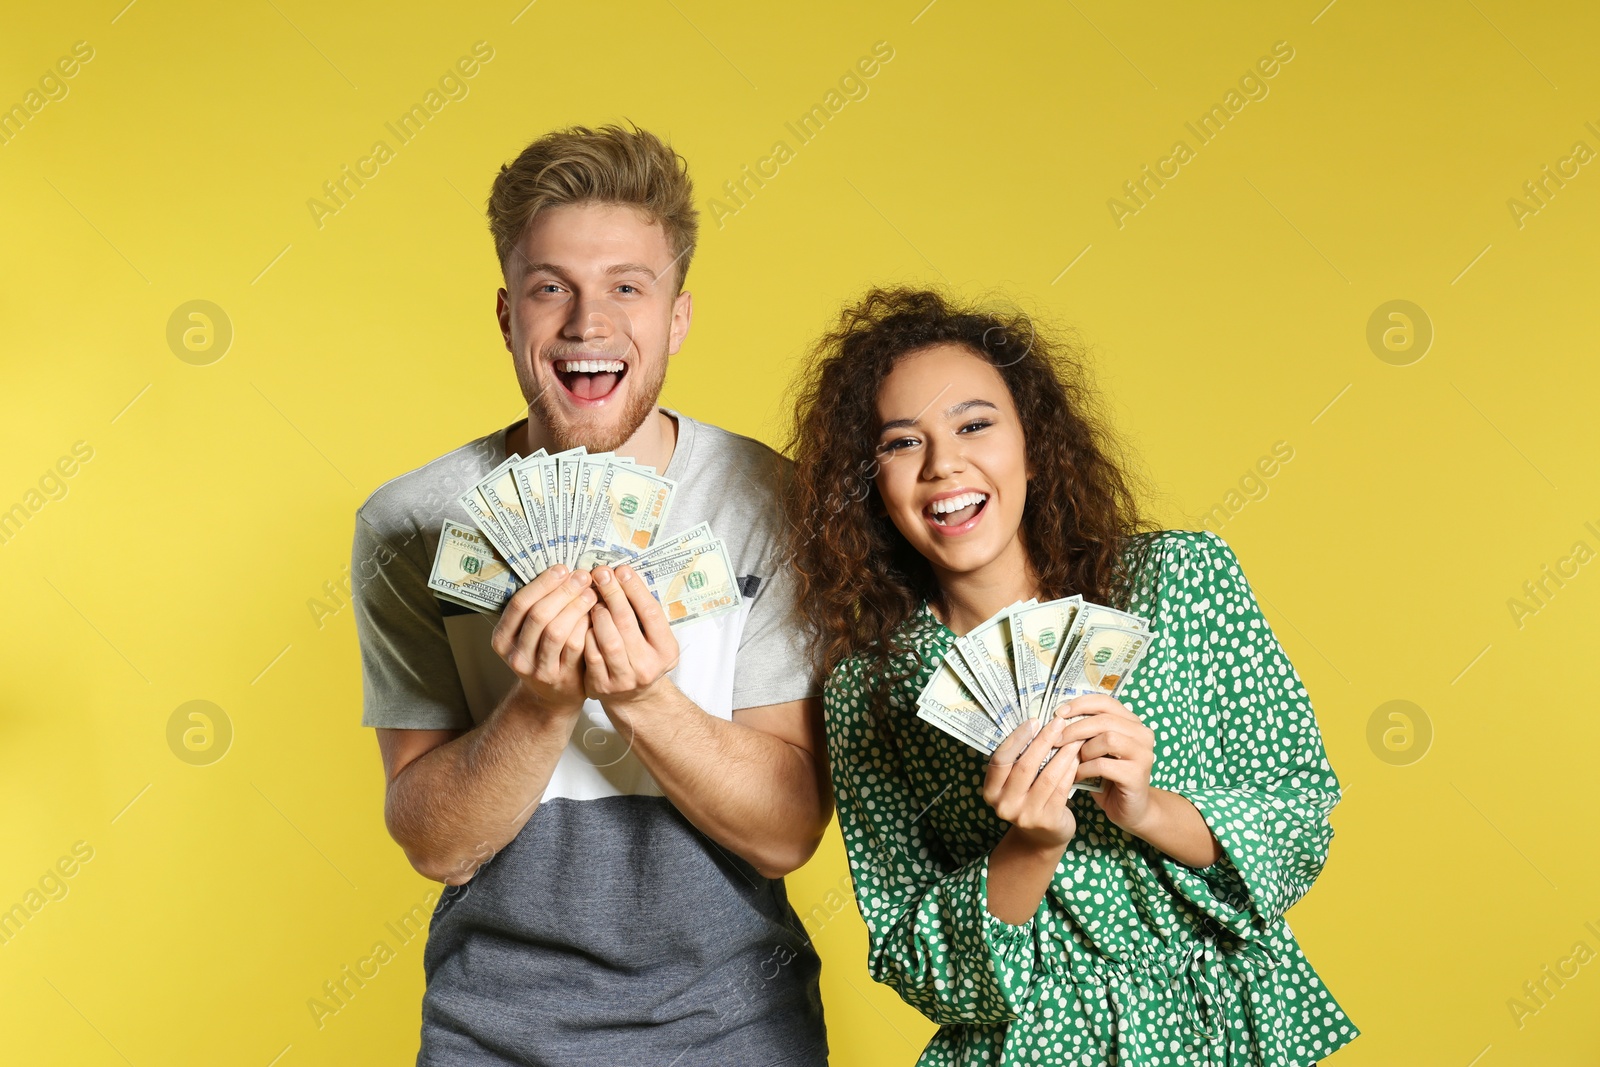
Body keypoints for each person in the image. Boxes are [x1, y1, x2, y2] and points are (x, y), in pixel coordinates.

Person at [351, 124, 830, 1065]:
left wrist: (648, 697)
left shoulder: (774, 503)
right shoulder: (410, 522)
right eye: (550, 288)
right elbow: (436, 845)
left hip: (735, 1028)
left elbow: (786, 834)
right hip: (491, 1031)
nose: (586, 324)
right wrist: (540, 706)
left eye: (626, 286)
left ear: (677, 317)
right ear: (505, 315)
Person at [784, 287, 1358, 1066]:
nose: (944, 463)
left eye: (975, 424)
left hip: (1219, 1028)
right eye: (901, 443)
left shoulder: (1180, 582)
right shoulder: (872, 689)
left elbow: (1294, 820)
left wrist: (1147, 807)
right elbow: (913, 957)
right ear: (869, 483)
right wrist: (1029, 844)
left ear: (1032, 442)